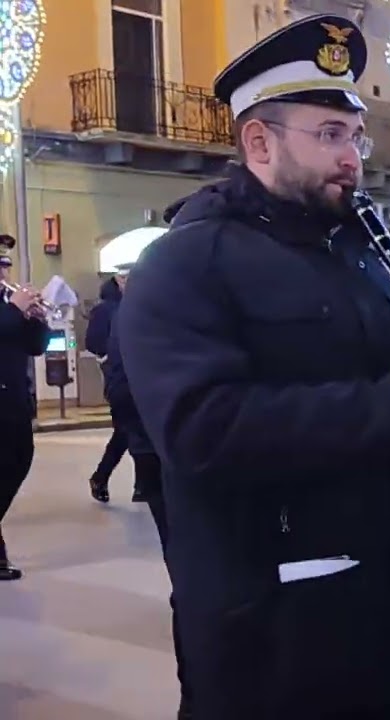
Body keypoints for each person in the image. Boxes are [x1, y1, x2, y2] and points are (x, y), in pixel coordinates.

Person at [115, 14, 390, 718]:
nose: (354, 158)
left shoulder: (360, 256)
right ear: (259, 142)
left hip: (383, 618)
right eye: (330, 136)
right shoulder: (186, 263)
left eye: (357, 136)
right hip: (270, 638)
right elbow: (201, 433)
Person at [102, 273, 192, 716]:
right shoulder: (145, 307)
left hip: (171, 454)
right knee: (194, 580)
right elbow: (122, 384)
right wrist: (145, 443)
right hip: (165, 457)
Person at [0, 234, 50, 582]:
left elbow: (34, 348)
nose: (4, 270)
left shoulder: (7, 303)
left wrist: (35, 319)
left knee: (19, 461)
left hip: (14, 399)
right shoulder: (6, 306)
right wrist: (14, 310)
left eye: (5, 264)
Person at [84, 265, 141, 503]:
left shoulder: (141, 304)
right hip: (119, 379)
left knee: (139, 431)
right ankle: (101, 476)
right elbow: (93, 342)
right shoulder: (106, 309)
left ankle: (142, 485)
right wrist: (109, 356)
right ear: (117, 280)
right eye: (126, 278)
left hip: (140, 377)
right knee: (127, 431)